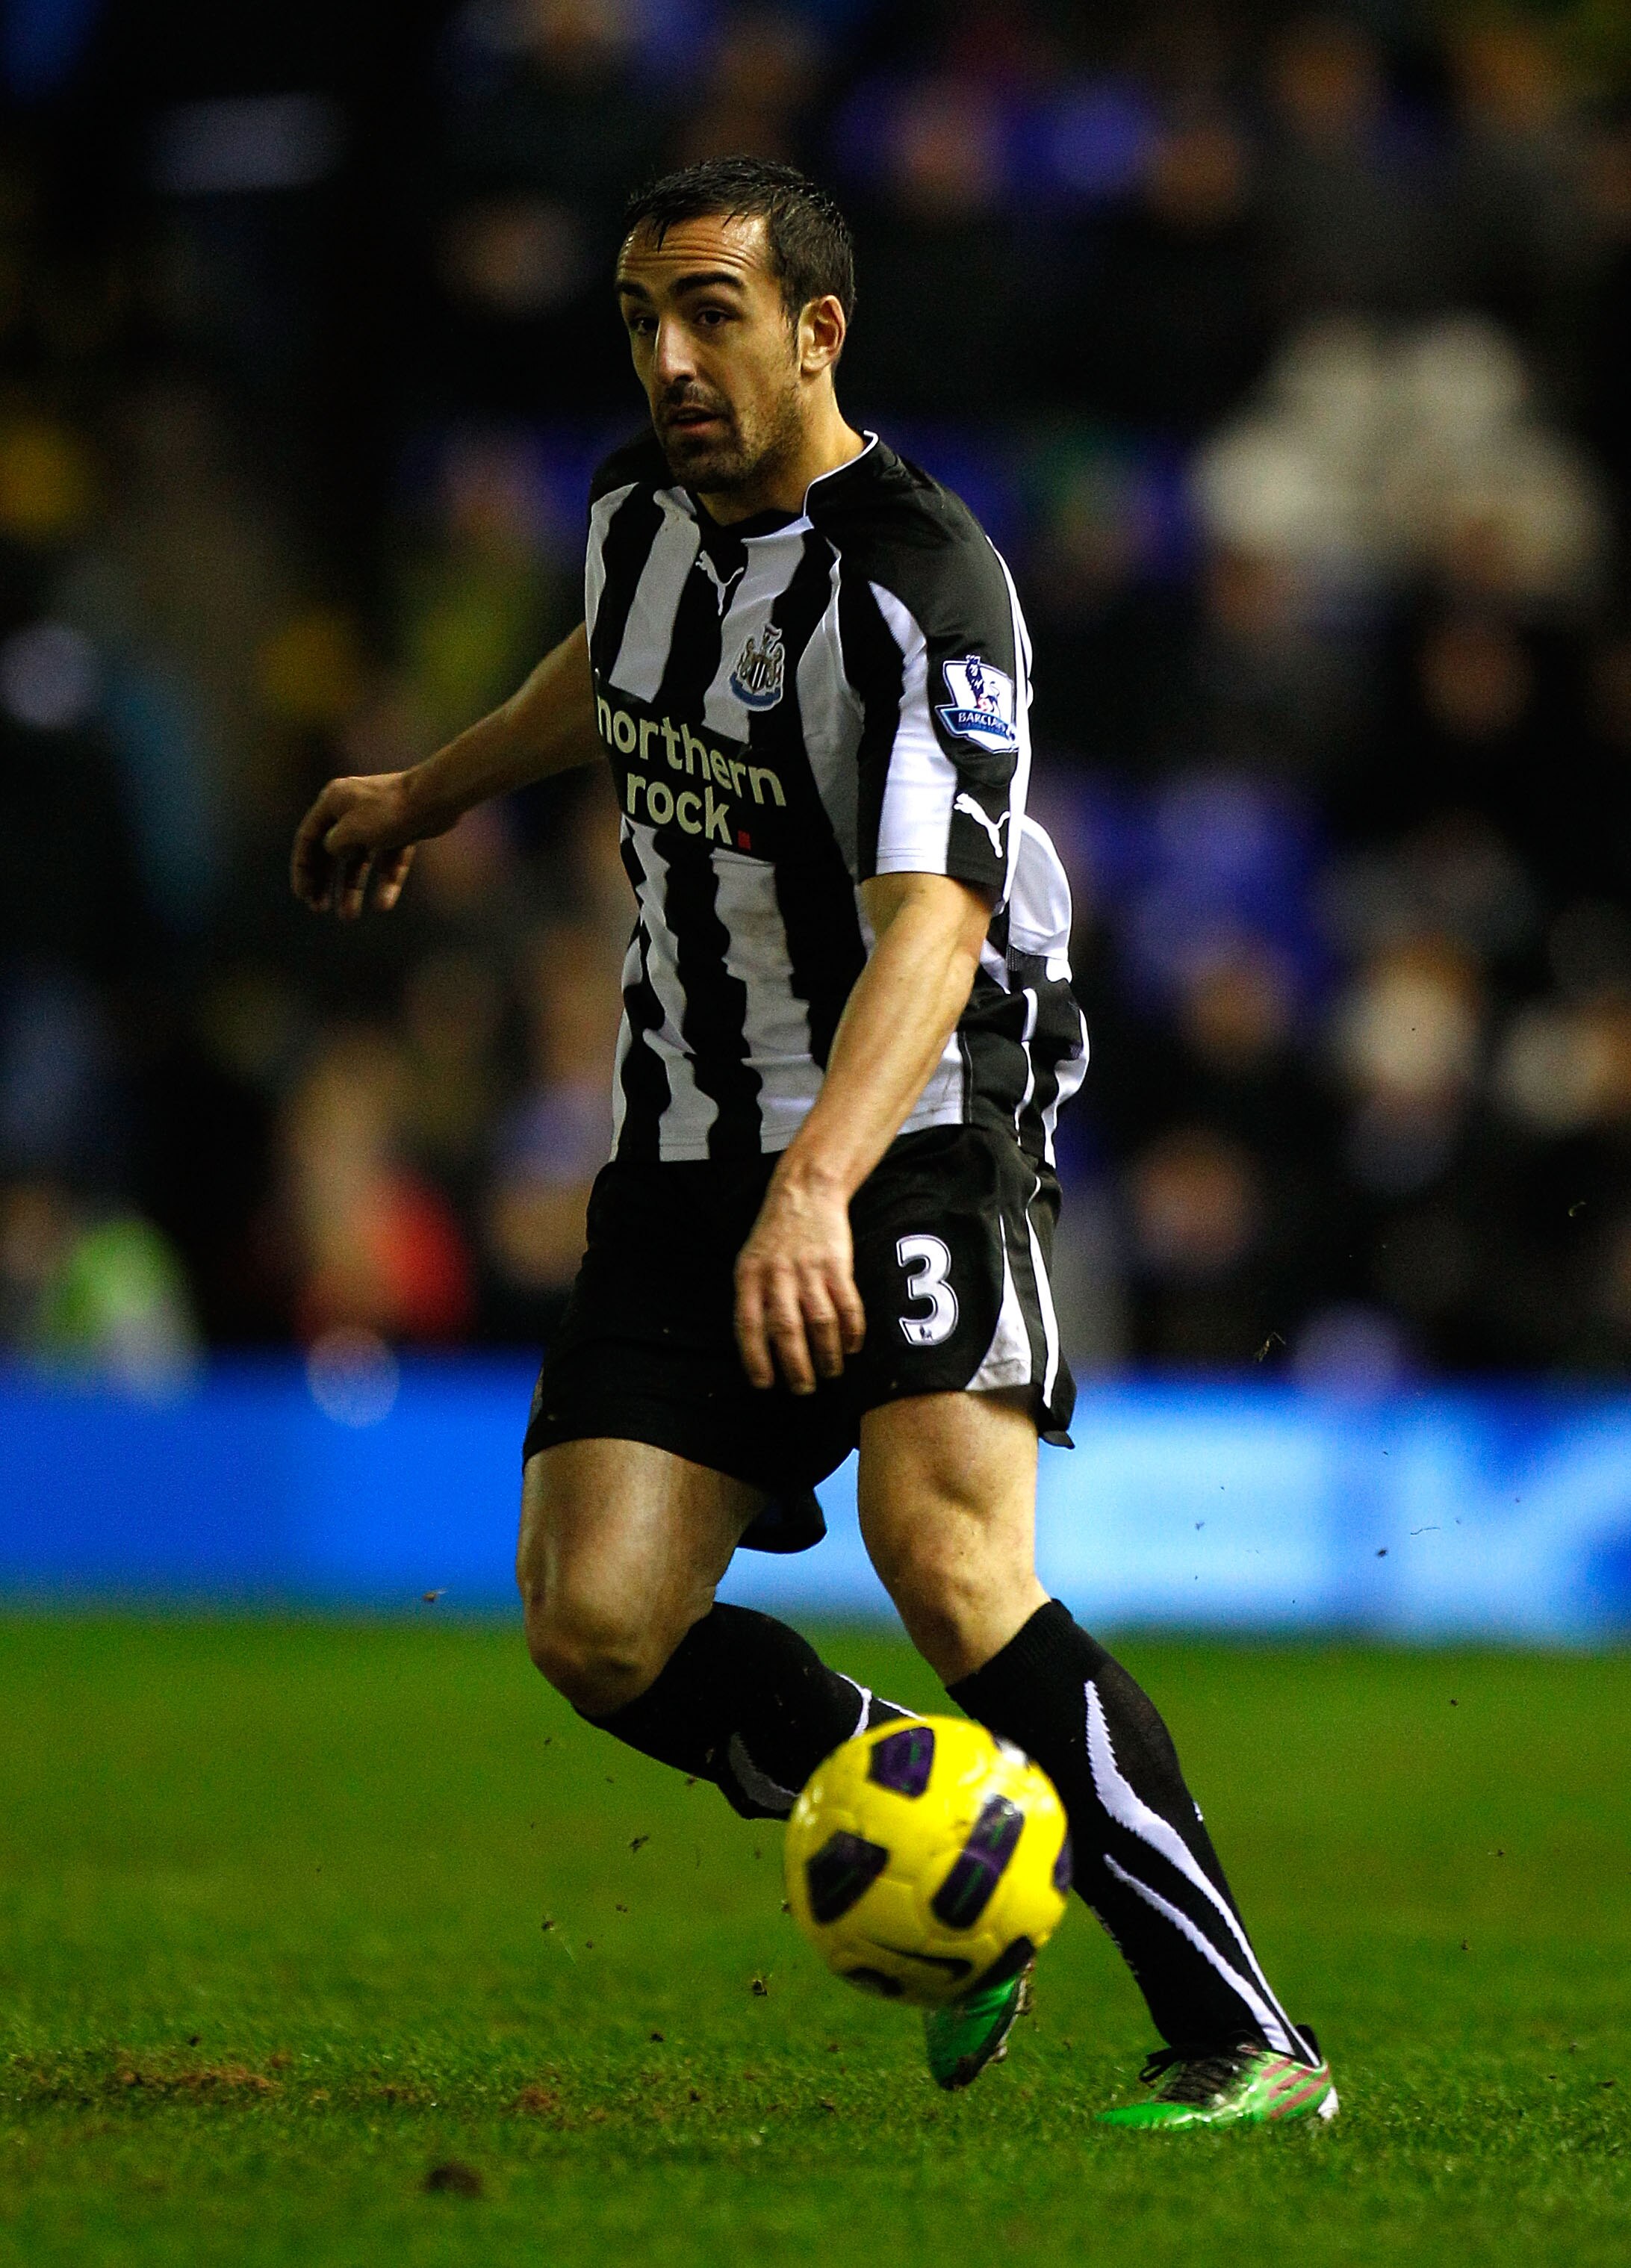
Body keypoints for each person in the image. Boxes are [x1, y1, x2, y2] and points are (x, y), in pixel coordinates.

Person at [291, 157, 1336, 2130]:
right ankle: (937, 1822)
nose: (670, 358)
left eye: (710, 314)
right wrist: (428, 789)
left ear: (815, 329)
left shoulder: (926, 582)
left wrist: (822, 1188)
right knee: (597, 1622)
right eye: (640, 318)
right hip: (691, 1131)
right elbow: (606, 678)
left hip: (917, 1105)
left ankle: (1247, 2039)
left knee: (948, 1556)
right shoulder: (630, 511)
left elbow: (938, 926)